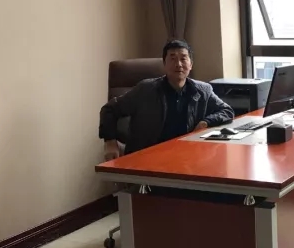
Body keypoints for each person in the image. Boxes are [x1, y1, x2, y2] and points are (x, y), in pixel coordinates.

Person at [99, 40, 234, 161]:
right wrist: (110, 141)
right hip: (148, 159)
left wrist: (206, 122)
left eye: (183, 59)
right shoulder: (146, 89)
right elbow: (109, 109)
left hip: (188, 157)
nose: (178, 64)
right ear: (164, 64)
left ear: (191, 64)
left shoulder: (202, 90)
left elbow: (226, 111)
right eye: (172, 59)